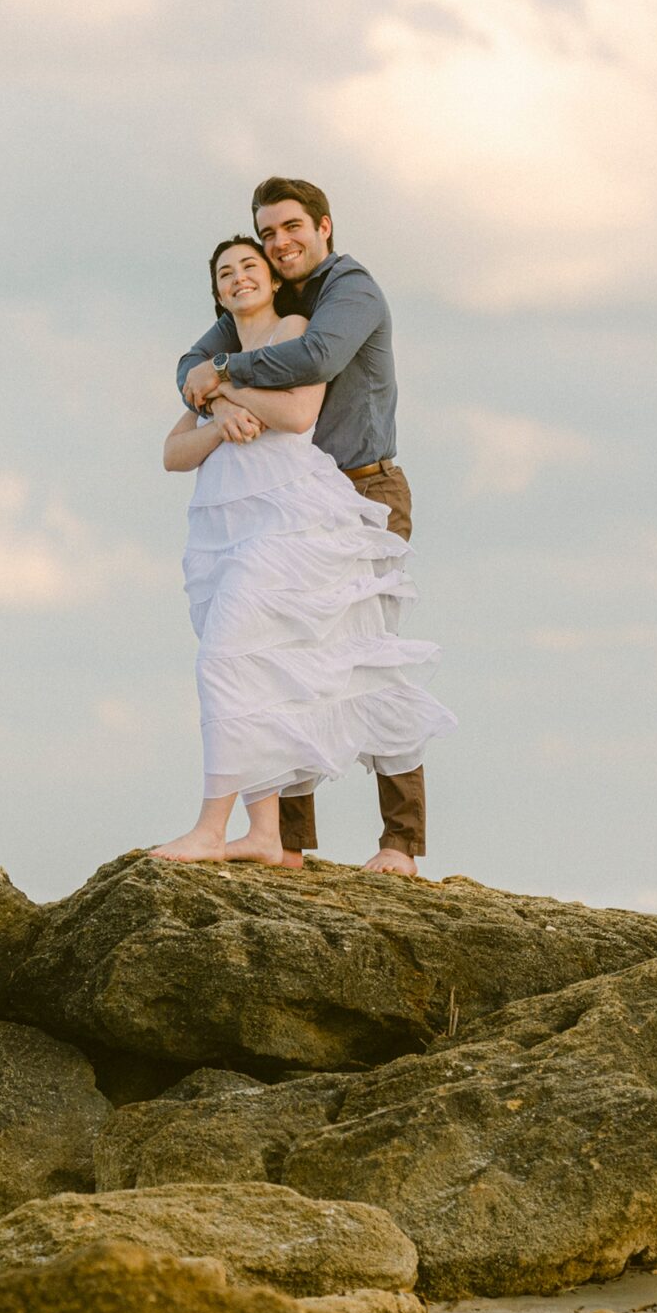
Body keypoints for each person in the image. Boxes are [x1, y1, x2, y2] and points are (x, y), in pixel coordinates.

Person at [155, 233, 453, 867]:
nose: (274, 246)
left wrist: (222, 385)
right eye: (263, 236)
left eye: (283, 235)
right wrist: (203, 390)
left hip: (358, 488)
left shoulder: (341, 295)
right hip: (263, 512)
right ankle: (279, 840)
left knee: (369, 658)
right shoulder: (233, 334)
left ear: (322, 227)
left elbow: (305, 377)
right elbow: (189, 380)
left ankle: (399, 842)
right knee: (275, 667)